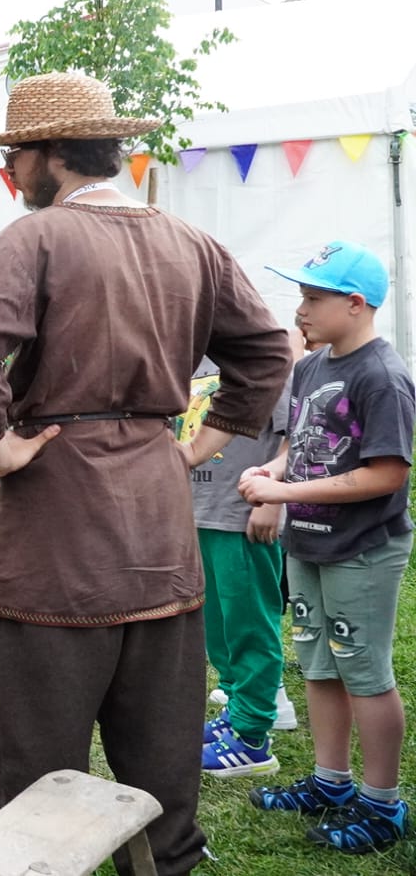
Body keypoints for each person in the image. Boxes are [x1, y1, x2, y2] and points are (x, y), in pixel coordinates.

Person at [0, 71, 292, 876]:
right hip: (161, 526)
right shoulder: (192, 242)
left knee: (35, 775)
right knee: (162, 767)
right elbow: (268, 350)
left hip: (57, 535)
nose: (10, 171)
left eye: (15, 155)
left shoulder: (34, 238)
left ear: (51, 153)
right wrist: (197, 447)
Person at [237, 240, 412, 854]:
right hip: (308, 544)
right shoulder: (312, 366)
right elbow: (302, 441)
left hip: (361, 549)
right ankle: (331, 781)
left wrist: (284, 491)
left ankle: (383, 804)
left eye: (313, 298)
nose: (300, 310)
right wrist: (274, 469)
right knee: (317, 664)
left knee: (364, 671)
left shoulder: (383, 377)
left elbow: (387, 473)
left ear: (356, 304)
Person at [179, 334, 302, 781]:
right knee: (218, 626)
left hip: (242, 515)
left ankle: (252, 736)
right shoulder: (187, 359)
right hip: (200, 514)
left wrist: (272, 499)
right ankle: (235, 709)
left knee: (250, 625)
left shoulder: (259, 358)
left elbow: (295, 437)